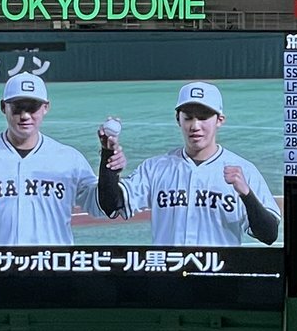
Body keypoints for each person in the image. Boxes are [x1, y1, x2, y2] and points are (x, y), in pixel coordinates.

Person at [0, 72, 119, 246]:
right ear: (4, 107)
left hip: (50, 267)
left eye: (32, 108)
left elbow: (104, 206)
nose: (25, 116)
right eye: (18, 108)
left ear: (46, 108)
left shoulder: (69, 159)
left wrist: (108, 158)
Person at [101, 82, 280, 246]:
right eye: (188, 117)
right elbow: (111, 205)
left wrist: (246, 194)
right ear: (178, 119)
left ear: (219, 120)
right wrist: (108, 155)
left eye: (203, 117)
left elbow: (269, 235)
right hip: (170, 270)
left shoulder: (244, 171)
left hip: (219, 271)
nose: (195, 126)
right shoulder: (155, 168)